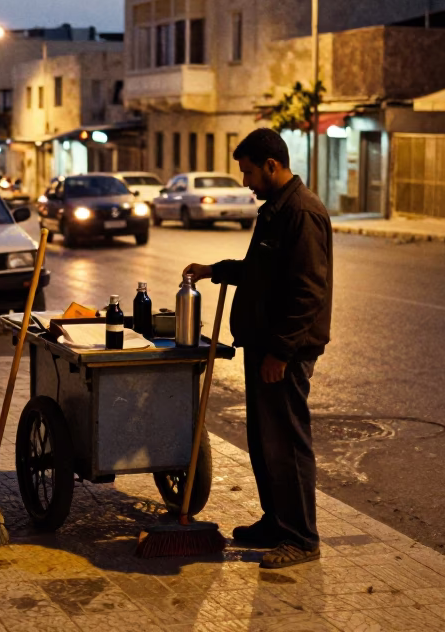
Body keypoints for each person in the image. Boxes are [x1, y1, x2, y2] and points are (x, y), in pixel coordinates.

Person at [182, 127, 333, 570]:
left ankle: (302, 538)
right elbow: (259, 270)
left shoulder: (301, 213)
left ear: (272, 165)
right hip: (264, 344)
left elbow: (309, 292)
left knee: (286, 443)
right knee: (265, 442)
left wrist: (281, 353)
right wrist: (214, 270)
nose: (245, 182)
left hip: (282, 351)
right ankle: (276, 521)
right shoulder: (275, 210)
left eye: (248, 172)